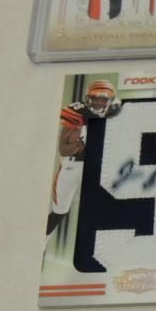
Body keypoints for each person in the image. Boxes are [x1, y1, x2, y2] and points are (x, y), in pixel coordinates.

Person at [46, 79, 122, 240]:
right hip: (73, 165)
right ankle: (42, 243)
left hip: (100, 164)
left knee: (107, 205)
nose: (98, 103)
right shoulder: (77, 113)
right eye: (95, 98)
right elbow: (63, 150)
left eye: (103, 99)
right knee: (60, 211)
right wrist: (77, 144)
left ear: (111, 100)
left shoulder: (117, 111)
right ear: (88, 98)